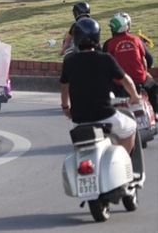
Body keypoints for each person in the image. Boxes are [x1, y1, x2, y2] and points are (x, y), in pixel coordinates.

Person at [60, 17, 139, 155]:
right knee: (131, 128)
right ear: (97, 37)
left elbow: (64, 88)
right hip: (106, 116)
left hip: (79, 119)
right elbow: (127, 81)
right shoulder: (105, 59)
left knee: (81, 147)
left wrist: (66, 108)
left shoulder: (69, 62)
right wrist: (134, 96)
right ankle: (122, 161)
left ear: (76, 39)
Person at [102, 12, 157, 118]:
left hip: (120, 82)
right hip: (140, 78)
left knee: (110, 95)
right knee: (153, 87)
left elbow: (109, 63)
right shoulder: (136, 39)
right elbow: (145, 60)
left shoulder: (110, 44)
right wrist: (145, 73)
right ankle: (155, 112)